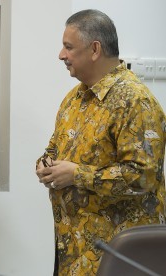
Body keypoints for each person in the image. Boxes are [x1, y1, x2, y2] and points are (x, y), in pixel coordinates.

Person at [35, 9, 166, 275]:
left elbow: (143, 177)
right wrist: (45, 165)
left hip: (118, 257)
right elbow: (53, 149)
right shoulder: (75, 98)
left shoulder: (134, 101)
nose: (61, 55)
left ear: (95, 49)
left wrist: (77, 175)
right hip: (74, 251)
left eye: (68, 47)